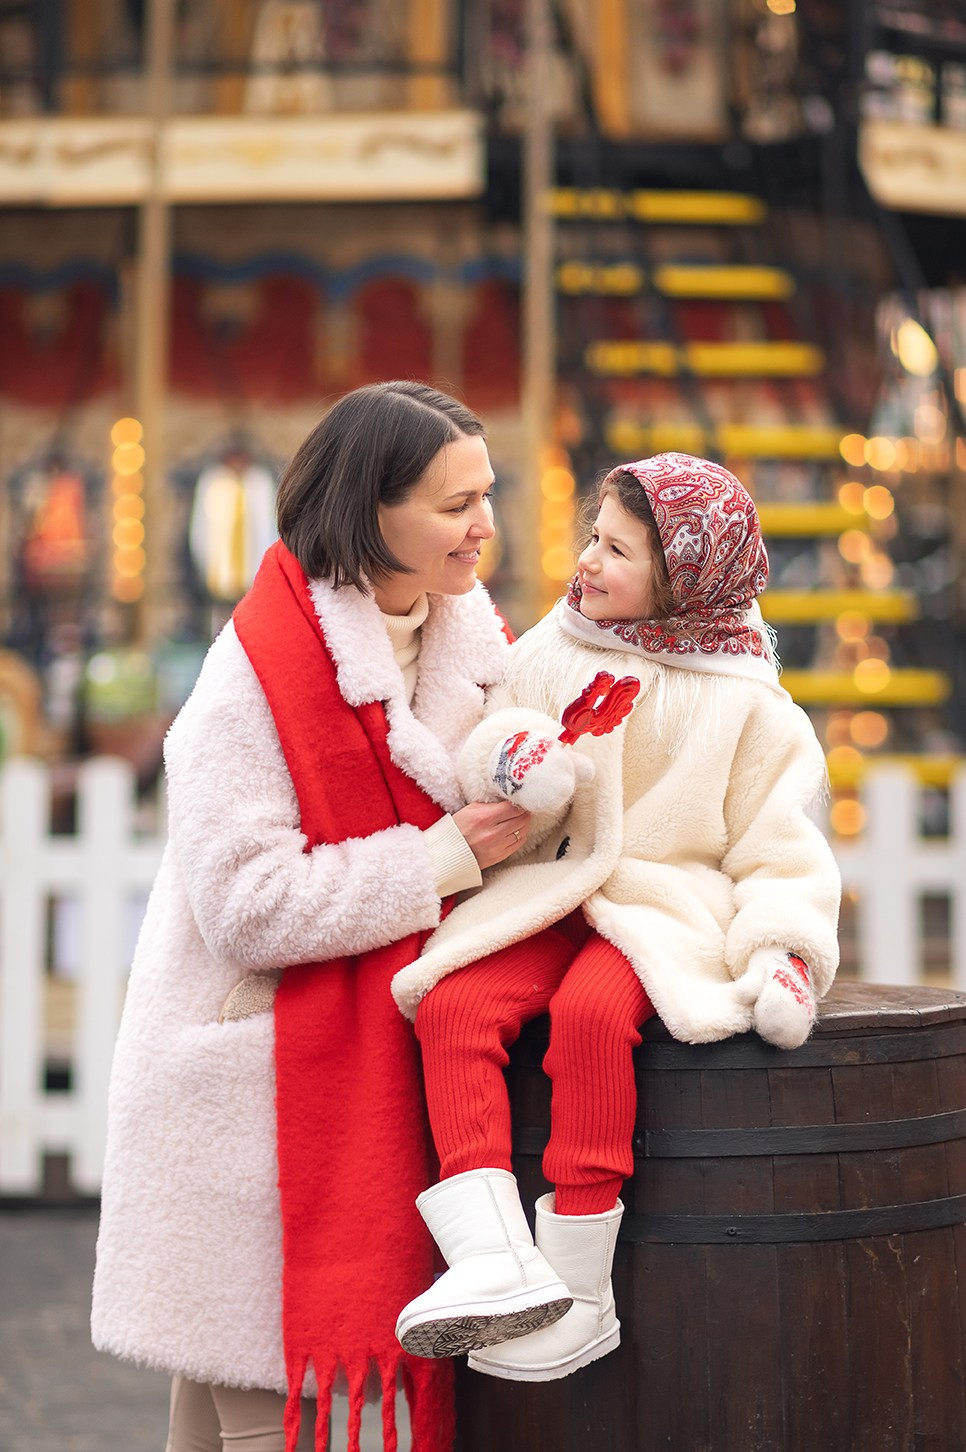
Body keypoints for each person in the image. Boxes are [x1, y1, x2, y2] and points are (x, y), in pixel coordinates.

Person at [91, 381, 536, 1452]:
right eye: (454, 504)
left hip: (358, 1066)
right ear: (370, 509)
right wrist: (441, 858)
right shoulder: (254, 671)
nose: (485, 525)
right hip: (255, 1082)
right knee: (267, 1398)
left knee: (220, 1407)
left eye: (487, 495)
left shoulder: (478, 638)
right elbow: (246, 905)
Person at [390, 451, 841, 1383]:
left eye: (618, 551)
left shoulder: (749, 704)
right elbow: (497, 728)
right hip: (548, 889)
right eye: (593, 537)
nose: (587, 561)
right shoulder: (553, 646)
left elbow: (781, 848)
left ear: (681, 580)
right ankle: (491, 1257)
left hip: (658, 906)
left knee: (593, 1019)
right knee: (454, 1005)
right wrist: (513, 761)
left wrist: (784, 950)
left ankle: (581, 1288)